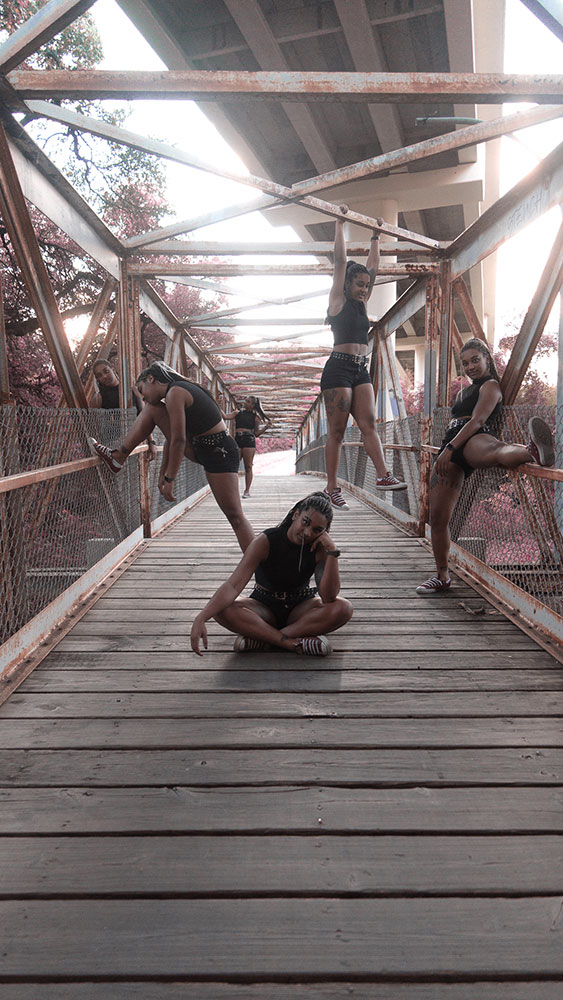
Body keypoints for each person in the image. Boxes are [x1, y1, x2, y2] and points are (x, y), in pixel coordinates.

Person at [417, 337, 555, 595]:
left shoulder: (490, 386)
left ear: (487, 359)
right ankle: (442, 575)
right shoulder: (462, 392)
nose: (470, 367)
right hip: (451, 445)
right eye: (465, 363)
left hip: (471, 440)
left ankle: (531, 451)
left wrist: (449, 449)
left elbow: (478, 420)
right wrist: (447, 448)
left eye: (475, 360)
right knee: (437, 518)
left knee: (496, 450)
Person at [88, 361, 254, 551]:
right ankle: (118, 457)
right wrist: (162, 474)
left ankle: (261, 569)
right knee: (152, 409)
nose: (144, 397)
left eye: (143, 391)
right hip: (204, 448)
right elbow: (170, 439)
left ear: (151, 379)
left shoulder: (176, 392)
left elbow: (179, 440)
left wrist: (170, 478)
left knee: (235, 517)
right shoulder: (173, 393)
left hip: (219, 452)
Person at [190, 491, 353, 657]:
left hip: (299, 609)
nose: (308, 532)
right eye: (305, 522)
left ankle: (264, 638)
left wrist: (332, 552)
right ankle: (290, 641)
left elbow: (328, 597)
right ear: (296, 515)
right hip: (264, 607)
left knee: (343, 608)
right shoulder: (266, 541)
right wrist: (201, 617)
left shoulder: (320, 548)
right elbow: (233, 585)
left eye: (317, 530)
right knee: (220, 609)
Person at [320, 206, 406, 511]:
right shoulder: (338, 300)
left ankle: (383, 475)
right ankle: (331, 487)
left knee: (369, 423)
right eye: (359, 285)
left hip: (361, 370)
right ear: (346, 285)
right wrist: (340, 223)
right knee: (338, 432)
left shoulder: (361, 303)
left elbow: (373, 268)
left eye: (366, 287)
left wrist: (375, 235)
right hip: (338, 370)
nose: (364, 289)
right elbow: (341, 261)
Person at [90, 358, 157, 462]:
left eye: (106, 371)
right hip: (111, 449)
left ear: (112, 368)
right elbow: (93, 428)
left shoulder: (132, 390)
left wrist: (151, 442)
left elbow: (144, 416)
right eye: (99, 375)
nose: (104, 376)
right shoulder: (98, 399)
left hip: (136, 445)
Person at [221, 395, 271, 498]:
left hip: (249, 440)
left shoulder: (255, 417)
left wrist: (266, 427)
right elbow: (225, 417)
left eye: (248, 402)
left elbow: (256, 433)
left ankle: (247, 491)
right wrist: (218, 405)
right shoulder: (237, 413)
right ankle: (231, 490)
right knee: (233, 465)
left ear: (253, 405)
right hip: (238, 439)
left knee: (248, 466)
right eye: (246, 400)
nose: (245, 402)